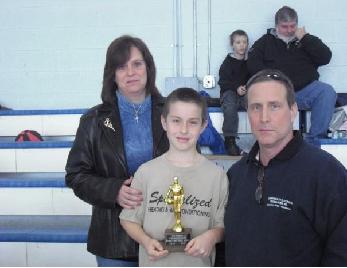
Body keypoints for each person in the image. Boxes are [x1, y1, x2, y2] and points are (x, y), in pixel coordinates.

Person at [224, 69, 347, 266]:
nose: (264, 117)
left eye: (274, 106)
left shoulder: (326, 174)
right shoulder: (236, 175)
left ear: (292, 110)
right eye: (256, 107)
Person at [65, 35, 169, 267]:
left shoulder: (172, 113)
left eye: (136, 64)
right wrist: (113, 191)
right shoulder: (92, 120)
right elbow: (75, 175)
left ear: (148, 67)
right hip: (114, 242)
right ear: (112, 74)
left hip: (166, 237)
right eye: (121, 67)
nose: (130, 72)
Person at [119, 87, 228, 266]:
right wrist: (146, 241)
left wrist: (211, 237)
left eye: (192, 122)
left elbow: (222, 225)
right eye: (176, 121)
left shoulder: (217, 176)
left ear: (203, 125)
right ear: (164, 122)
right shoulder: (146, 172)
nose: (183, 130)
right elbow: (128, 219)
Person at [247, 6, 336, 145]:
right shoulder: (265, 42)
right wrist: (272, 80)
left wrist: (305, 38)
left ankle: (315, 141)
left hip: (305, 91)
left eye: (292, 26)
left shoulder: (306, 40)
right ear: (276, 26)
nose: (289, 30)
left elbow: (325, 57)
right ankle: (275, 143)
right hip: (277, 92)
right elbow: (252, 64)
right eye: (284, 27)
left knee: (327, 91)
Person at [218, 30, 250, 155]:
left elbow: (254, 78)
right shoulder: (227, 63)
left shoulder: (250, 62)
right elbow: (224, 82)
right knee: (230, 106)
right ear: (232, 45)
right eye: (238, 42)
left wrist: (247, 88)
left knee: (258, 104)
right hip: (230, 93)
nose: (242, 45)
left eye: (244, 42)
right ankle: (230, 140)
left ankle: (263, 139)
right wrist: (236, 88)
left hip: (245, 94)